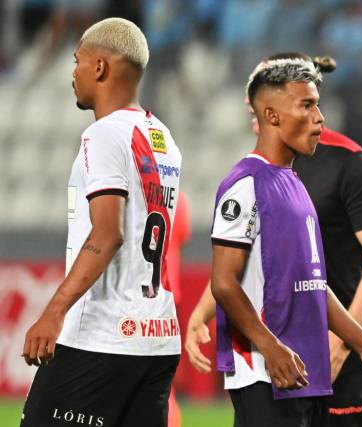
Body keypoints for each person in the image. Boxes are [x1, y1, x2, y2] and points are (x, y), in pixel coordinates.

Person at [185, 52, 362, 426]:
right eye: (308, 106)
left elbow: (315, 284)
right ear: (271, 116)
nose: (320, 118)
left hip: (303, 365)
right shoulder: (244, 186)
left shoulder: (294, 182)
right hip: (266, 369)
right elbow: (224, 282)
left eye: (318, 106)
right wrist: (270, 348)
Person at [21, 18, 183, 427]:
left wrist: (54, 311)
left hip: (102, 337)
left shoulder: (104, 134)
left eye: (77, 61)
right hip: (157, 338)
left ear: (99, 67)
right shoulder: (162, 137)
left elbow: (108, 232)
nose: (72, 72)